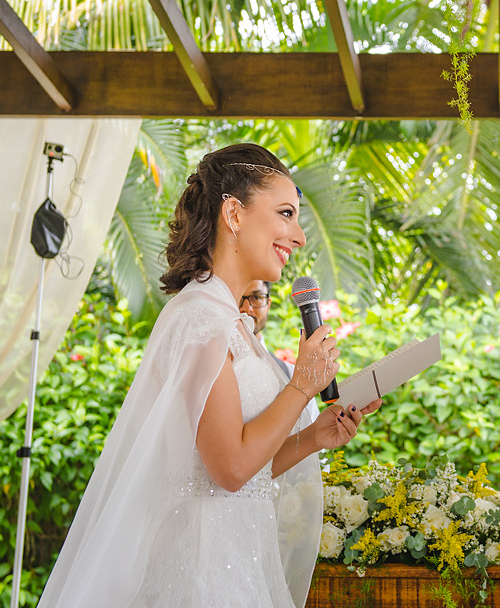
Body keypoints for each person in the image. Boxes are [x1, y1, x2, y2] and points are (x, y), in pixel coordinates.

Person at [39, 143, 381, 608]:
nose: (299, 237)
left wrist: (314, 437)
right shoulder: (201, 318)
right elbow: (230, 470)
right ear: (234, 214)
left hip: (239, 561)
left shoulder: (232, 323)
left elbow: (241, 469)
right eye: (286, 214)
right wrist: (303, 384)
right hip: (201, 573)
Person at [240, 279, 319, 426]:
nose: (246, 308)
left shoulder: (291, 373)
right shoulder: (216, 367)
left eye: (256, 297)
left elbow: (312, 426)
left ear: (268, 304)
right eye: (238, 298)